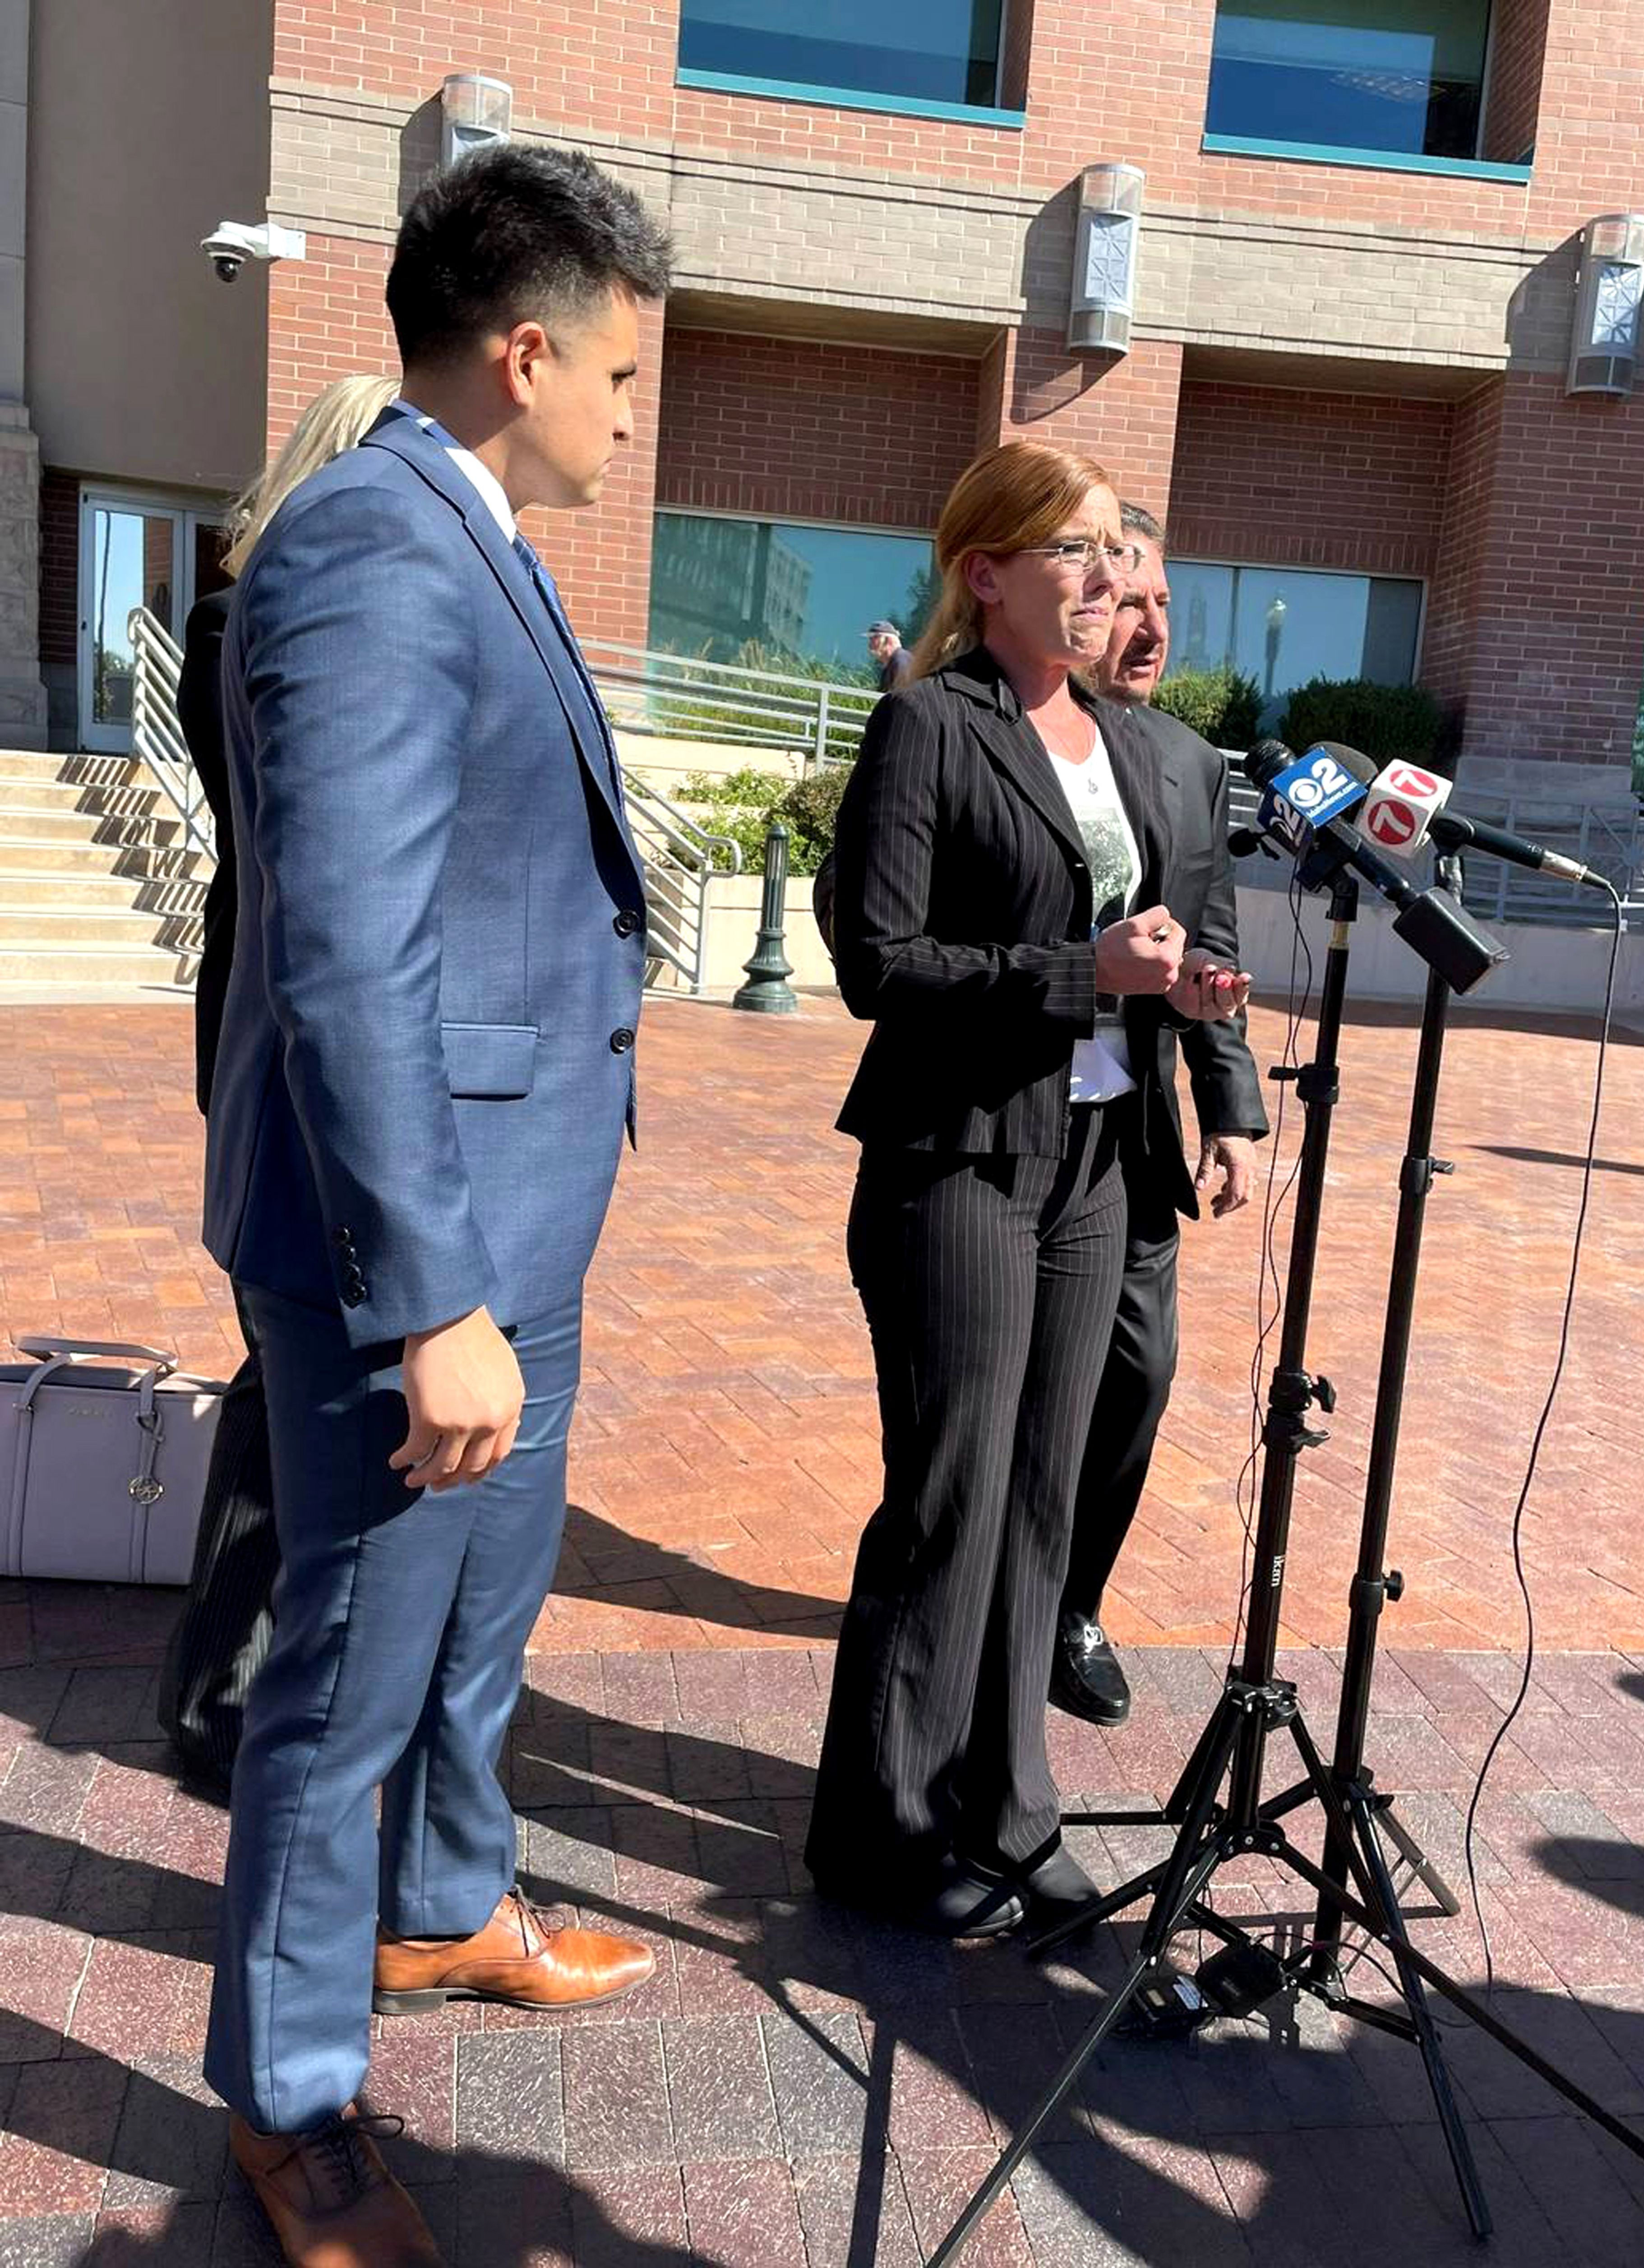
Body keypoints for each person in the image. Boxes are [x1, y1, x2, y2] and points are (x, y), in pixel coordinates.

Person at [200, 144, 669, 2268]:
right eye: (625, 373)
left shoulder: (460, 532)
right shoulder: (375, 552)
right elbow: (346, 959)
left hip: (519, 1220)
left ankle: (444, 1905)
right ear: (526, 348)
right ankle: (290, 2102)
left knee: (479, 1623)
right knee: (347, 1676)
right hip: (420, 1260)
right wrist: (425, 1306)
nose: (634, 415)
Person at [806, 442, 1249, 1940]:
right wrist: (1084, 973)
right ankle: (886, 1827)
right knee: (952, 1497)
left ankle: (1010, 1806)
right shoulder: (929, 727)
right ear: (984, 574)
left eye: (1109, 547)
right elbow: (881, 963)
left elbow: (1158, 935)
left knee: (1046, 1506)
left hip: (1100, 1170)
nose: (1099, 575)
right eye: (1067, 550)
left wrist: (1186, 994)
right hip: (962, 1162)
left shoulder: (1125, 747)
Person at [157, 374, 398, 1798]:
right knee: (281, 1362)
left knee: (286, 1359)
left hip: (272, 1015)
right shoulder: (244, 618)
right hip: (280, 1027)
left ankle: (236, 1667)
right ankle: (218, 1686)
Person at [1051, 503, 1270, 1727]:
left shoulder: (1193, 766)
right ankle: (999, 1596)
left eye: (1167, 606)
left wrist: (1230, 1111)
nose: (1151, 628)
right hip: (1015, 1115)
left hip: (1131, 1129)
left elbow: (1217, 949)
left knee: (1141, 1371)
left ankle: (1074, 1600)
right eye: (1131, 601)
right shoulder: (1010, 734)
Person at [865, 617, 911, 691]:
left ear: (889, 640)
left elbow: (905, 697)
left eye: (875, 638)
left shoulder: (901, 661)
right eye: (870, 639)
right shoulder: (892, 664)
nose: (870, 644)